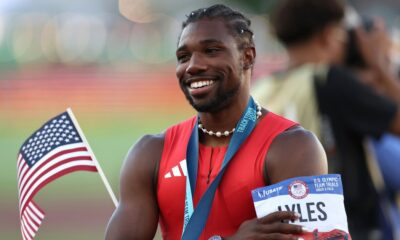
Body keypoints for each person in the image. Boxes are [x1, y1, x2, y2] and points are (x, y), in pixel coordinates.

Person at [105, 4, 328, 240]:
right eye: (183, 57)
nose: (193, 65)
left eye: (211, 51)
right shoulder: (150, 153)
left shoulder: (291, 148)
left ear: (247, 56)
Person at [252, 0, 400, 238]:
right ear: (330, 34)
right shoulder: (328, 79)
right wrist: (380, 64)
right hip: (346, 226)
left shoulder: (261, 89)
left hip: (283, 227)